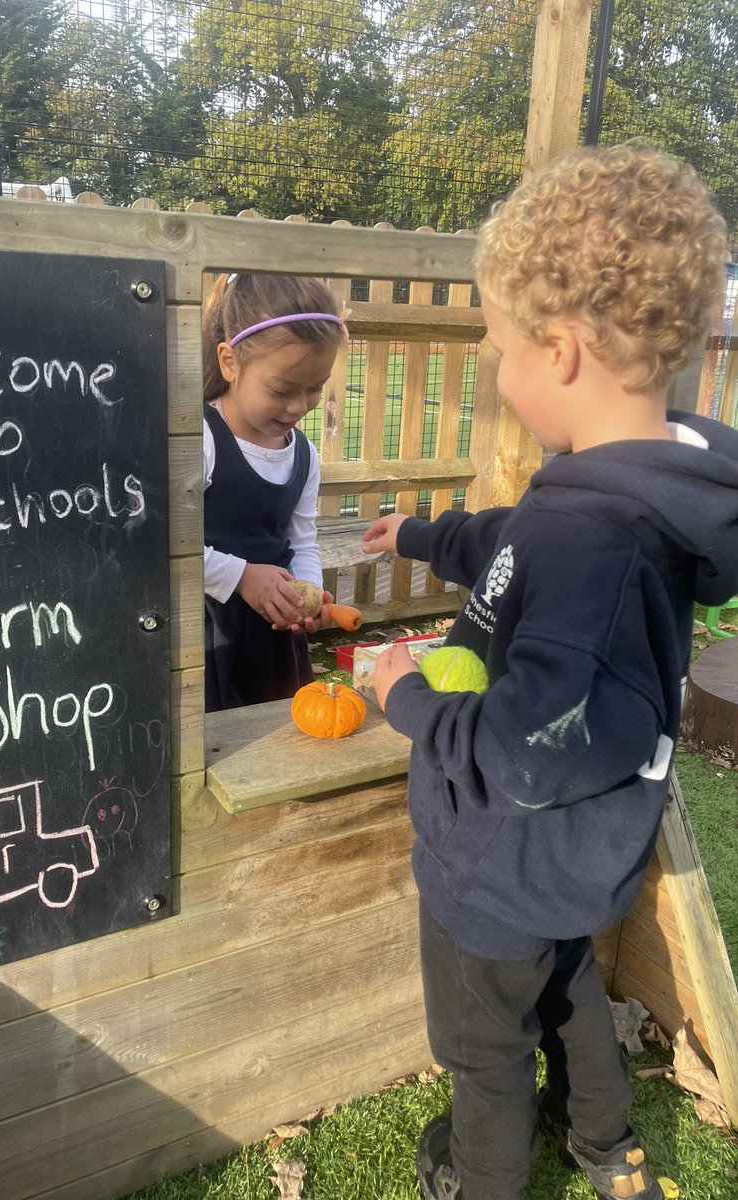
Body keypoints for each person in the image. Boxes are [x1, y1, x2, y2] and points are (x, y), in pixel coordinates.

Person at [362, 143, 738, 1200]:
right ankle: (603, 1145)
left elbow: (527, 750)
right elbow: (519, 545)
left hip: (502, 858)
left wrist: (407, 698)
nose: (497, 369)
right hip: (572, 865)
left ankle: (482, 1180)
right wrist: (425, 539)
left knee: (485, 1045)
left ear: (561, 349)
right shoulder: (623, 488)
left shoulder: (597, 539)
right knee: (567, 985)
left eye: (497, 346)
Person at [202, 272, 345, 711]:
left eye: (315, 390)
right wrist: (241, 576)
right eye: (282, 390)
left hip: (271, 639)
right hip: (206, 637)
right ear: (230, 362)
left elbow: (301, 539)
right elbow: (157, 545)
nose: (300, 406)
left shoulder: (304, 454)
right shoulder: (198, 439)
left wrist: (310, 593)